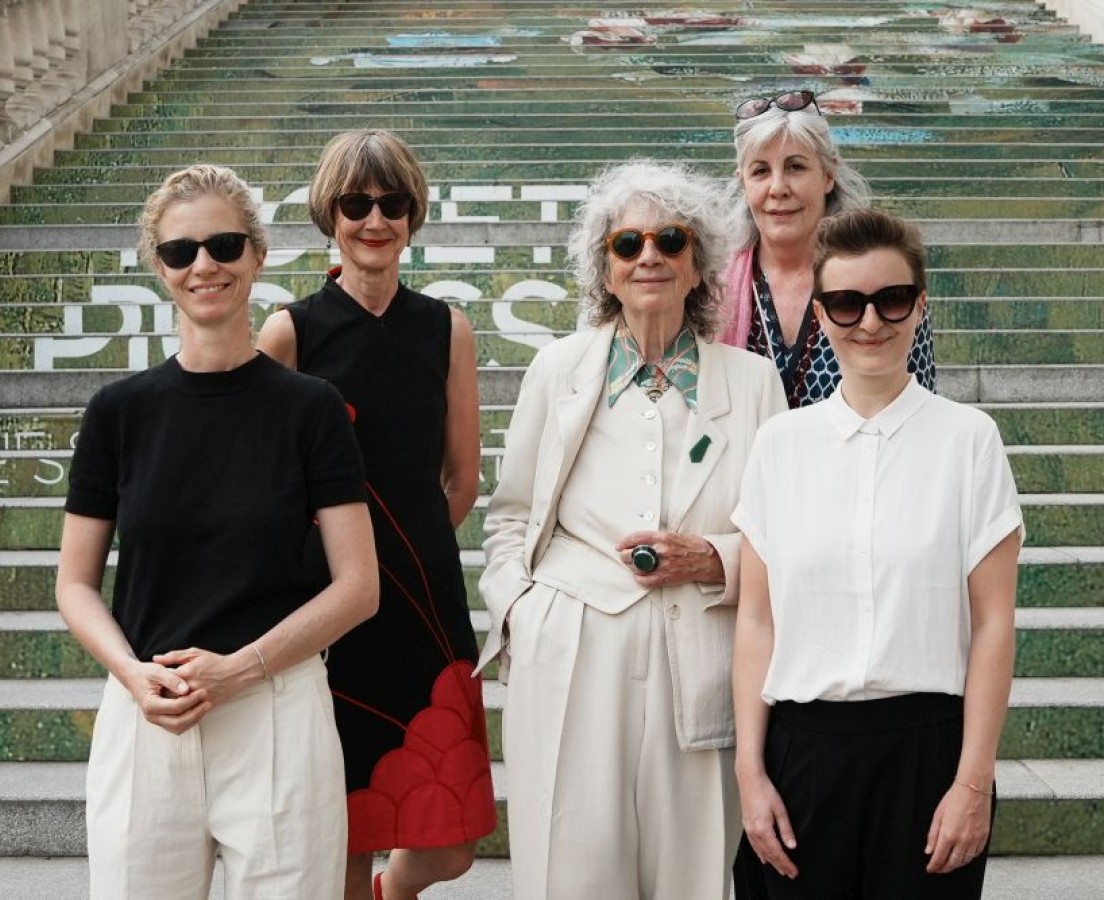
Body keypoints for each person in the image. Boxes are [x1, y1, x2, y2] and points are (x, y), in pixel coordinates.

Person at [55, 163, 379, 897]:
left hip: (275, 710)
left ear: (258, 256)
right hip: (147, 711)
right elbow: (74, 584)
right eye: (181, 251)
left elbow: (359, 587)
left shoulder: (310, 407)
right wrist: (133, 676)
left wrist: (239, 669)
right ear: (160, 268)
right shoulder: (118, 410)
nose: (205, 265)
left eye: (225, 245)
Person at [475, 158, 788, 899]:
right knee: (571, 868)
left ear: (698, 267)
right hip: (572, 645)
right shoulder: (557, 369)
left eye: (670, 241)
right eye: (627, 244)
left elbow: (784, 533)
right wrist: (524, 610)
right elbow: (512, 514)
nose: (649, 256)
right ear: (606, 271)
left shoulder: (751, 382)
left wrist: (714, 558)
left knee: (694, 873)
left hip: (704, 653)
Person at [731, 208, 1023, 898]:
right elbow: (756, 622)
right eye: (846, 302)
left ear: (920, 306)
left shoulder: (968, 440)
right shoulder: (781, 444)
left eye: (891, 300)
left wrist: (972, 783)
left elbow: (993, 625)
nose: (870, 323)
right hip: (801, 756)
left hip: (927, 754)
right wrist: (751, 773)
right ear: (824, 312)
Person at [257, 129, 494, 900]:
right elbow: (265, 488)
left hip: (426, 603)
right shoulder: (291, 331)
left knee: (452, 844)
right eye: (356, 203)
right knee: (343, 844)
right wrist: (341, 571)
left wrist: (408, 545)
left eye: (392, 203)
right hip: (333, 615)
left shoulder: (445, 327)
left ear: (413, 214)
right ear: (330, 213)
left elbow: (460, 476)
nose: (374, 219)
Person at [719, 89, 936, 407]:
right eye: (761, 171)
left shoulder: (881, 282)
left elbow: (920, 404)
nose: (778, 188)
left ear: (828, 176)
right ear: (743, 183)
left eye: (796, 167)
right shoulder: (713, 286)